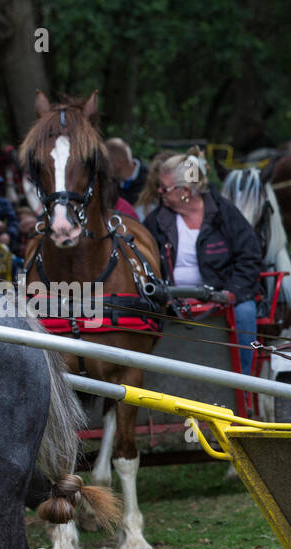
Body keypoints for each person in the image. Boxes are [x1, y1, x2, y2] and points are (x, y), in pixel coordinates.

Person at [145, 150, 263, 373]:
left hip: (223, 296)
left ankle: (244, 385)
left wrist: (232, 292)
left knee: (245, 312)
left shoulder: (225, 214)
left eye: (165, 188)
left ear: (185, 192)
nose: (159, 192)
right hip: (170, 300)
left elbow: (250, 256)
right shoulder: (156, 221)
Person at [106, 138, 148, 208]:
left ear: (118, 162)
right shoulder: (110, 183)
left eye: (106, 162)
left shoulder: (149, 181)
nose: (103, 167)